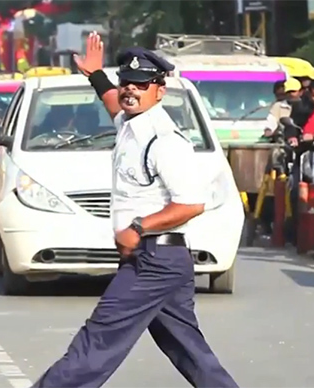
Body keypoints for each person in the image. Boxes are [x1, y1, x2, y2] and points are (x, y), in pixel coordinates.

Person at [30, 32, 238, 388]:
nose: (130, 90)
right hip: (160, 261)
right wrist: (96, 74)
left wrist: (140, 227)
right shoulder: (130, 123)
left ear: (160, 90)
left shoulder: (165, 140)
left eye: (141, 85)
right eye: (127, 82)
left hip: (154, 259)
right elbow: (113, 102)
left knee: (98, 340)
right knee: (188, 350)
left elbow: (191, 204)